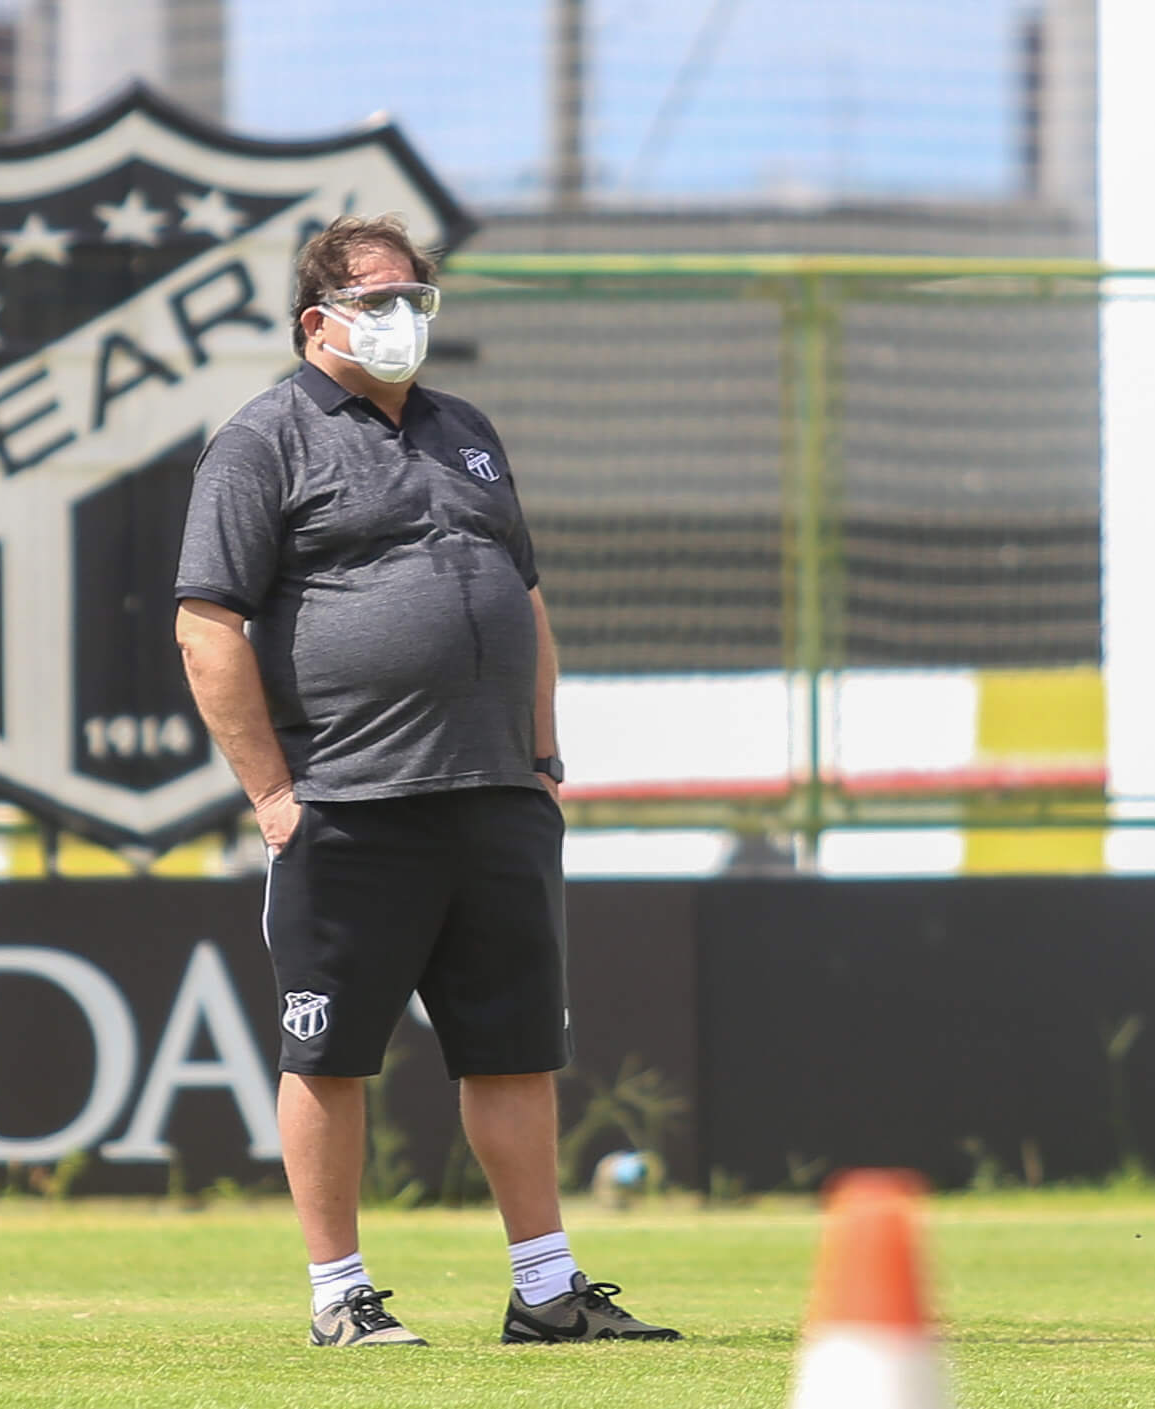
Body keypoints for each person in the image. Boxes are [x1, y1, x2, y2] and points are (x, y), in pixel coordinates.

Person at [173, 214, 680, 1349]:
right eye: (377, 299)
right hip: (350, 798)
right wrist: (272, 794)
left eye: (415, 296)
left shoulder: (467, 431)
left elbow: (524, 595)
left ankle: (545, 1290)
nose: (401, 317)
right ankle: (338, 1293)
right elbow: (207, 624)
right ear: (317, 320)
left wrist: (542, 760)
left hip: (493, 791)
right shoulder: (261, 440)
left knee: (512, 1045)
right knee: (329, 1049)